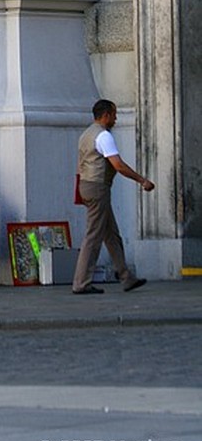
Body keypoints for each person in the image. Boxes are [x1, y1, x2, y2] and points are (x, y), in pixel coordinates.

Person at [72, 100, 155, 295]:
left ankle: (126, 276)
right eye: (114, 114)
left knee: (111, 234)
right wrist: (142, 180)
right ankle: (81, 283)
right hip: (98, 187)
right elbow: (118, 165)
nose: (116, 118)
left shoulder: (86, 134)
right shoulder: (103, 136)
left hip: (87, 185)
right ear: (106, 114)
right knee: (94, 235)